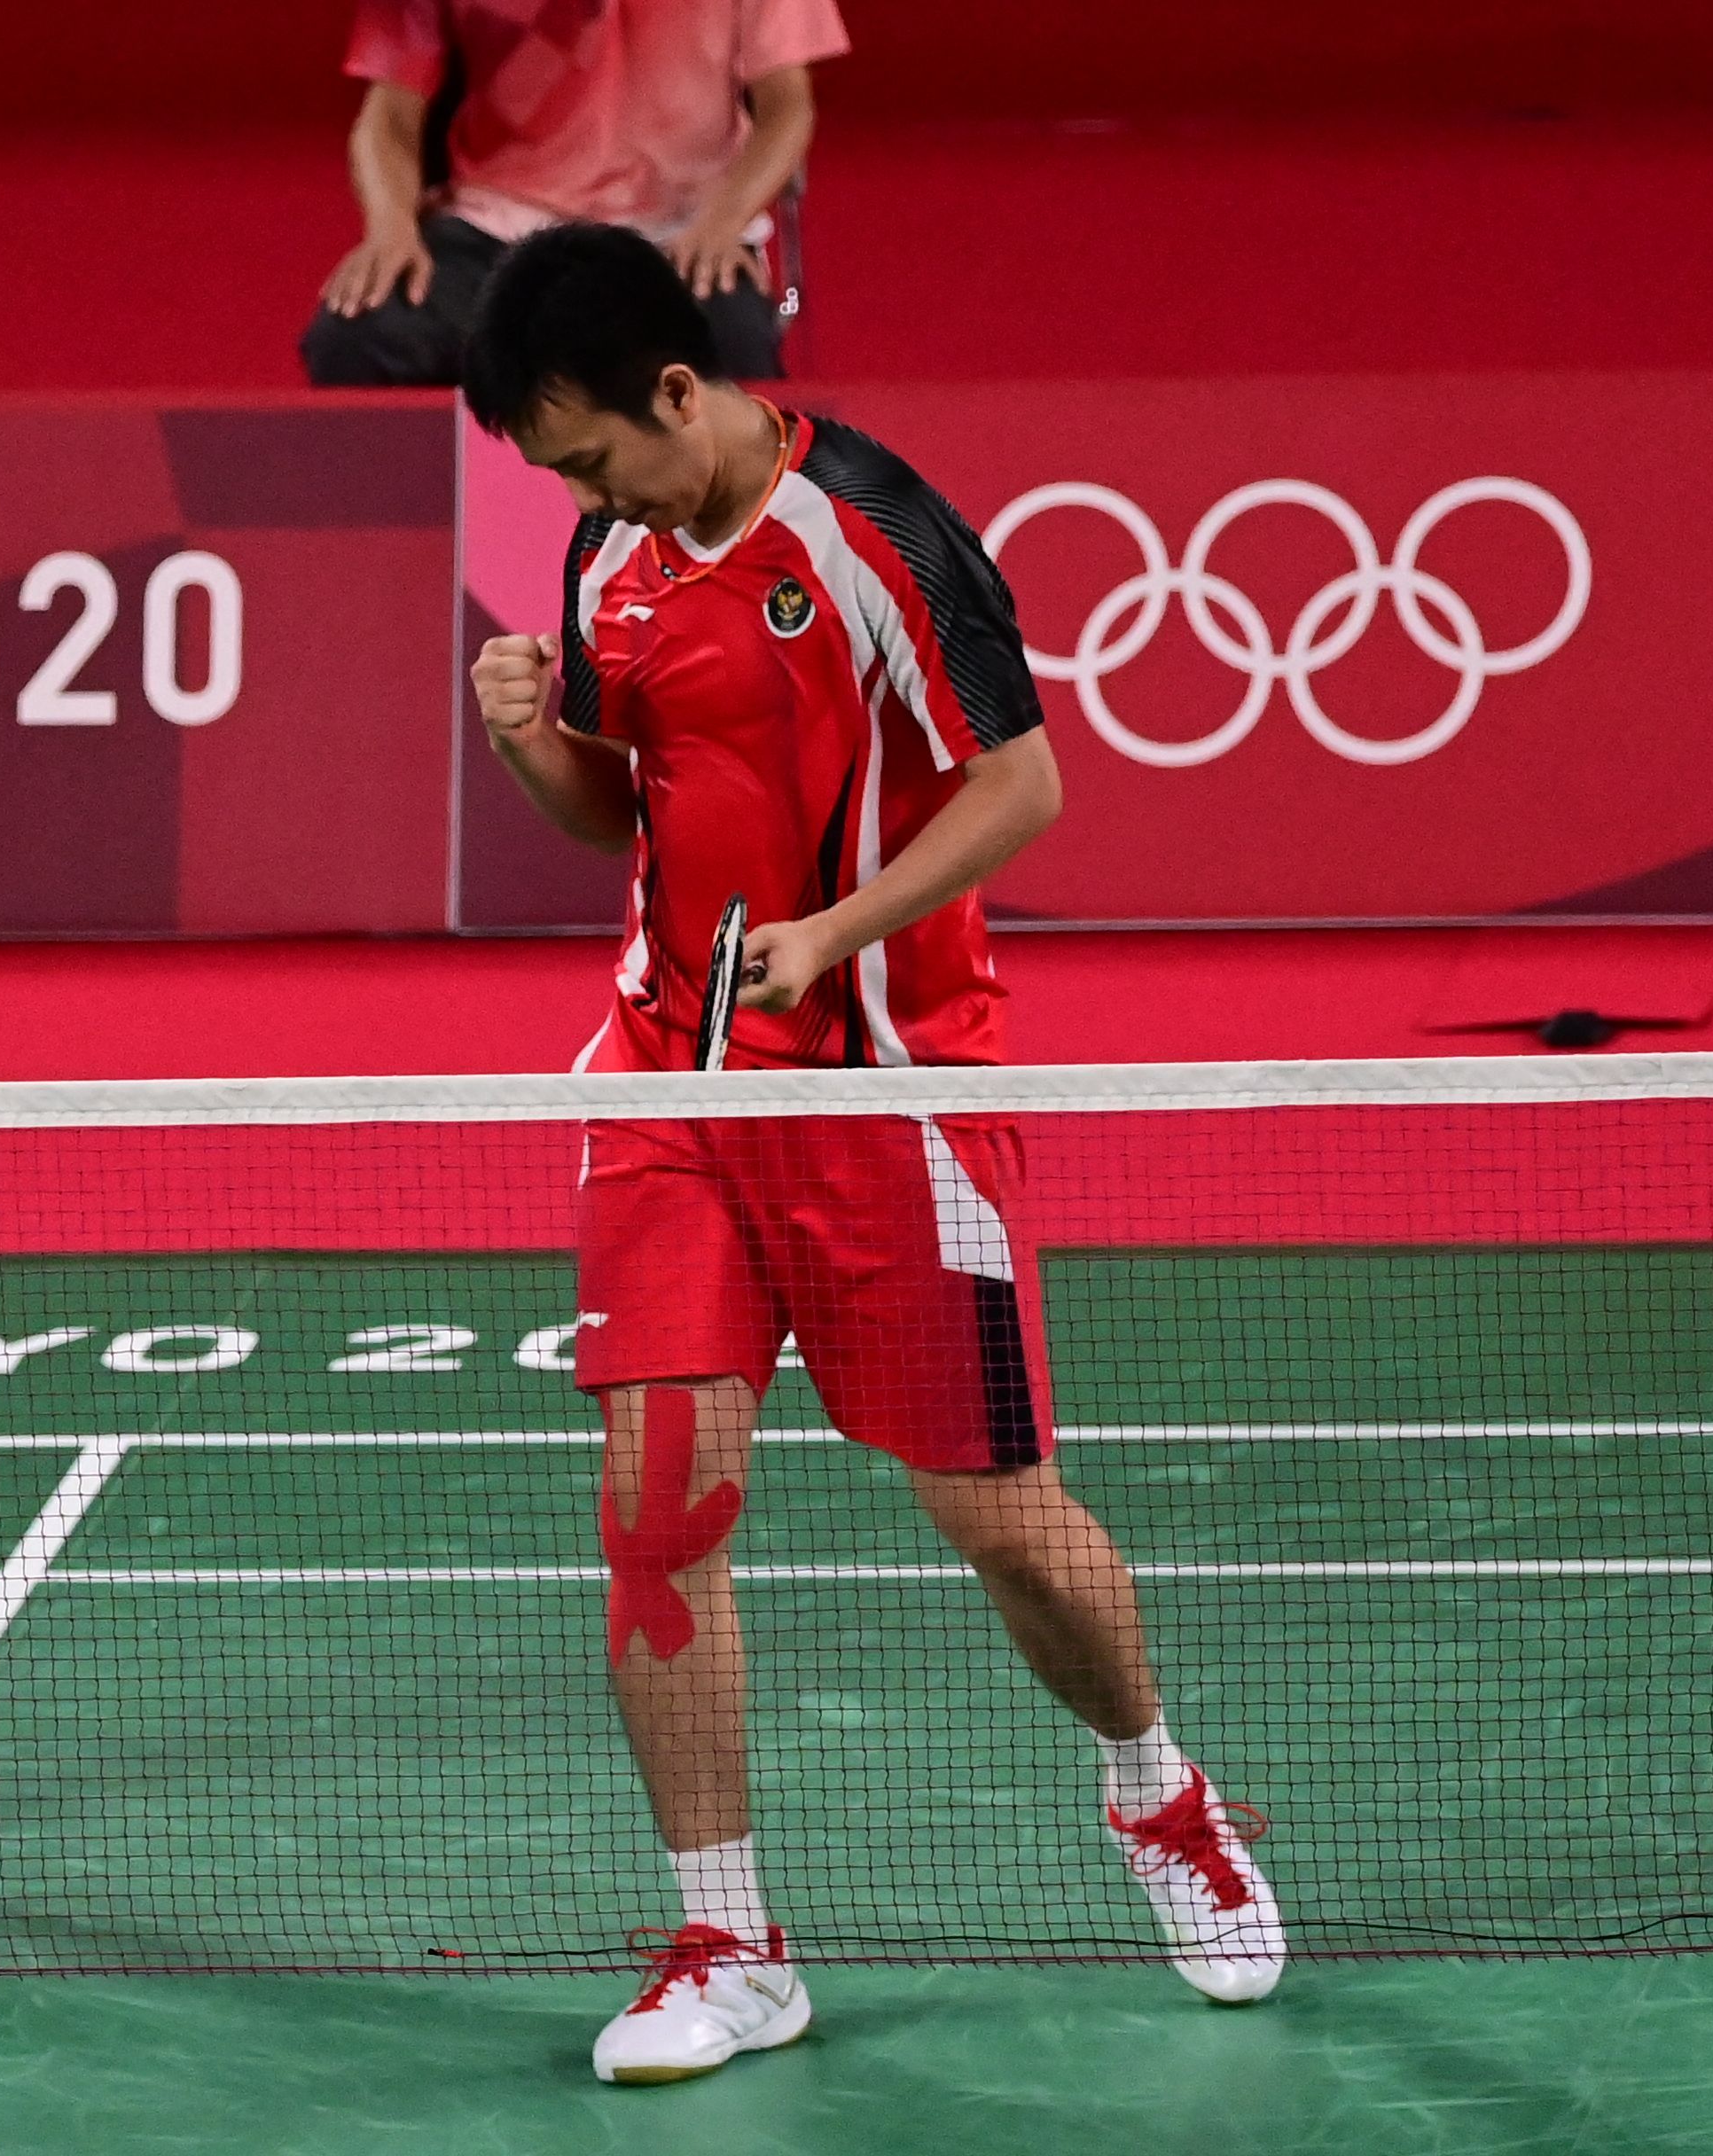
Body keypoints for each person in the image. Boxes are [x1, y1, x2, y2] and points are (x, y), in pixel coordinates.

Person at [462, 223, 1285, 2085]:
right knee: (659, 1506)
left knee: (1001, 1523)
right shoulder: (613, 553)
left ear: (679, 390)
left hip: (888, 1088)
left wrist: (840, 933)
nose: (584, 499)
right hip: (675, 1076)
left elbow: (1028, 781)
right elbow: (623, 804)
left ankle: (1155, 1788)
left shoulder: (879, 532)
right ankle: (729, 1938)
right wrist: (528, 744)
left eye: (594, 457)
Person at [304, 0, 847, 388]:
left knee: (733, 347)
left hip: (680, 239)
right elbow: (390, 118)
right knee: (360, 335)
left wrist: (721, 223)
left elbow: (786, 109)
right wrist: (390, 229)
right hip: (496, 230)